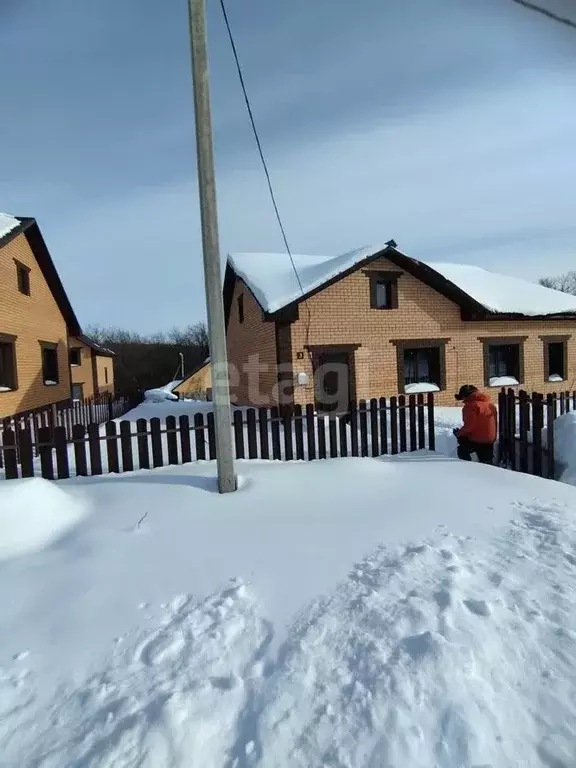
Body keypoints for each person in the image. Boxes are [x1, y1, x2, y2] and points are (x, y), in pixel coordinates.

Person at [453, 384, 497, 464]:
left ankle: (470, 467)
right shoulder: (490, 404)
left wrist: (458, 433)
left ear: (465, 396)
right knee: (487, 462)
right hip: (491, 438)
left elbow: (469, 426)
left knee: (462, 449)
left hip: (478, 440)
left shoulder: (470, 406)